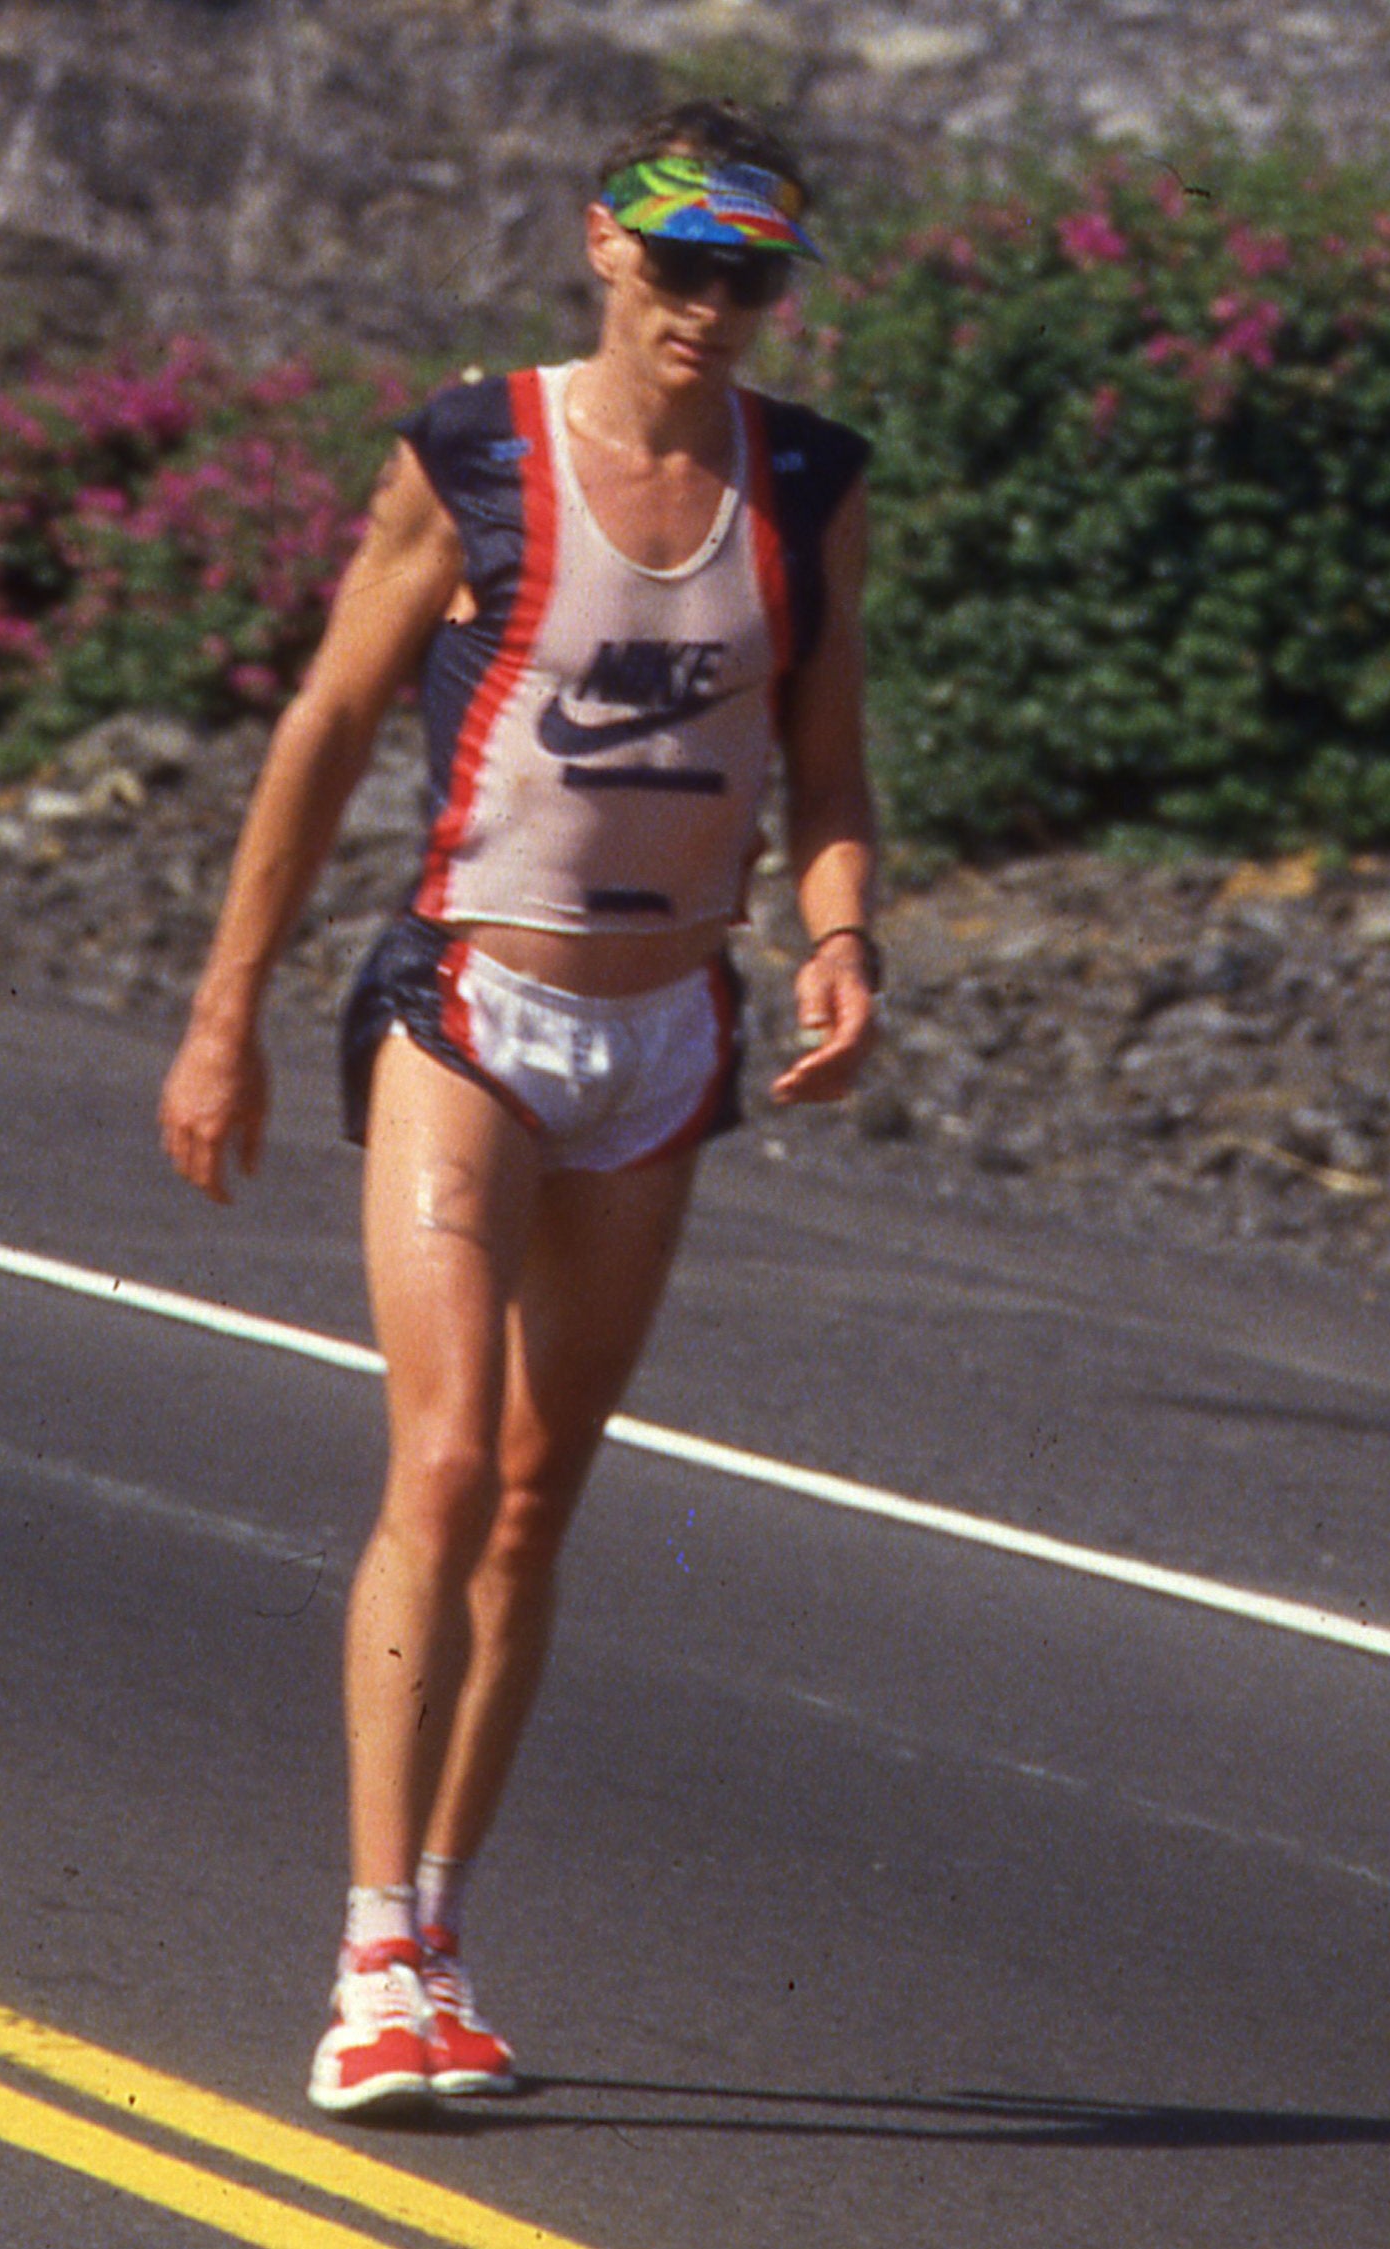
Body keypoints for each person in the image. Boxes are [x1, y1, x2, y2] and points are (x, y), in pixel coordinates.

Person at [158, 96, 879, 2117]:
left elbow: (829, 767)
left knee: (545, 1490)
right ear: (601, 247)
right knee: (452, 1455)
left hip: (667, 1031)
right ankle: (370, 1952)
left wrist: (847, 941)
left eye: (755, 275)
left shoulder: (807, 481)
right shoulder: (476, 449)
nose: (713, 309)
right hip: (468, 1000)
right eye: (682, 265)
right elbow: (321, 723)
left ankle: (445, 1932)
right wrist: (224, 1014)